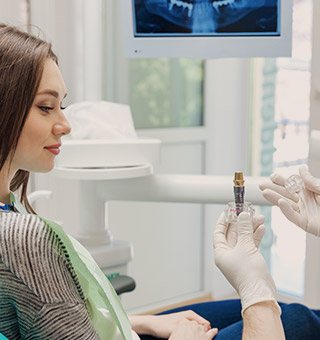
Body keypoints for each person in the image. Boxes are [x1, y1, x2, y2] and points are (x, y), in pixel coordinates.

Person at [0, 23, 318, 340]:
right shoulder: (25, 239)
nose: (65, 125)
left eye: (62, 105)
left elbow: (62, 322)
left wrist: (141, 321)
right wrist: (255, 288)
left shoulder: (9, 208)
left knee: (272, 313)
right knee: (296, 319)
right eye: (46, 107)